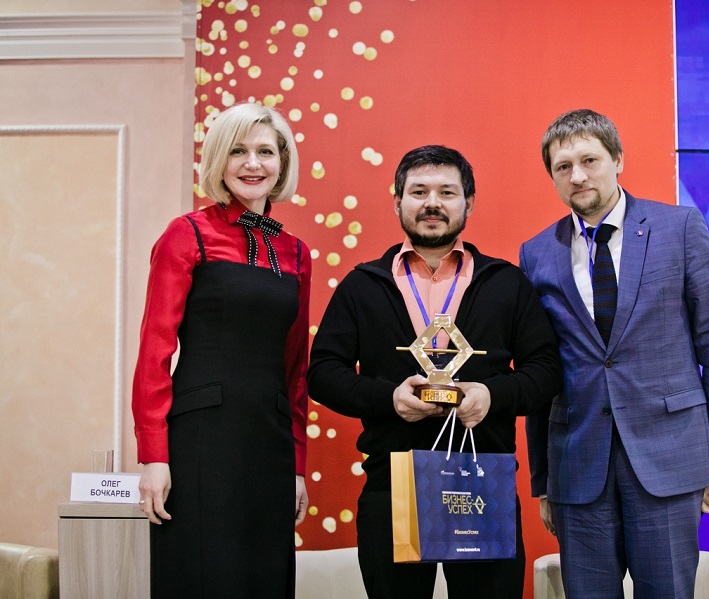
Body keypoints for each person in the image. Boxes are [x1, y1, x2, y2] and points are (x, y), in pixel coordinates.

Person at [308, 145, 561, 599]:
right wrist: (388, 399)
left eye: (447, 192)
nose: (432, 203)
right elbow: (323, 373)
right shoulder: (362, 285)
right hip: (392, 485)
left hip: (483, 482)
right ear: (397, 201)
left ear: (469, 202)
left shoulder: (506, 283)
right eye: (419, 191)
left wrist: (492, 395)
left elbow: (546, 371)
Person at [519, 109, 709, 599]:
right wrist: (543, 480)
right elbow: (540, 370)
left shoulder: (680, 228)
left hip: (669, 461)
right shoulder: (537, 253)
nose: (577, 176)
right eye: (563, 167)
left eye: (589, 160)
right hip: (578, 469)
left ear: (617, 159)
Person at [132, 102, 311, 598]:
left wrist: (297, 465)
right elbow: (154, 352)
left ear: (282, 163)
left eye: (265, 152)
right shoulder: (186, 233)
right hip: (200, 442)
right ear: (218, 160)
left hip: (270, 444)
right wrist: (153, 457)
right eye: (237, 151)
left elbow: (296, 369)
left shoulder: (297, 252)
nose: (252, 163)